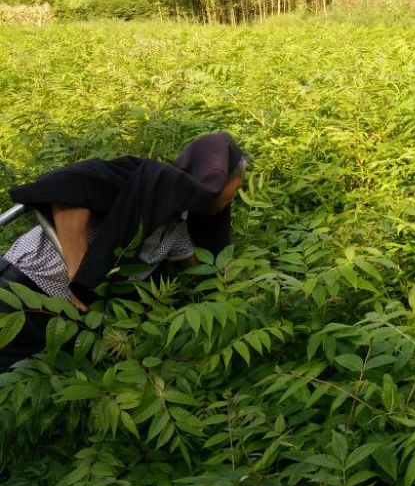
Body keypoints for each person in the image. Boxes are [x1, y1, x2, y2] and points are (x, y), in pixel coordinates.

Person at [0, 132, 246, 370]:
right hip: (26, 288)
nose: (232, 198)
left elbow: (199, 273)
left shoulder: (177, 228)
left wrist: (230, 303)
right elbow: (70, 192)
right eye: (235, 189)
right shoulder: (141, 180)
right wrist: (79, 272)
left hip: (70, 318)